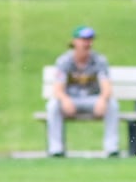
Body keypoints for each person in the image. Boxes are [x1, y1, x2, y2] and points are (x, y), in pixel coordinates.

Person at [46, 26, 119, 157]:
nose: (87, 43)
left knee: (112, 104)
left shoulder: (99, 61)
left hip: (92, 99)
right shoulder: (64, 61)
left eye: (90, 40)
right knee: (53, 105)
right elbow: (57, 89)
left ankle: (111, 147)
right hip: (71, 100)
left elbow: (107, 86)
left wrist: (102, 100)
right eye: (83, 40)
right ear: (74, 41)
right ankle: (56, 148)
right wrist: (65, 100)